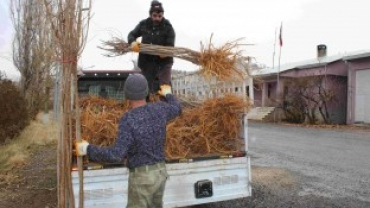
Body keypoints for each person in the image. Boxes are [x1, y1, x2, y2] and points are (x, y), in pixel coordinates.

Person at [75, 74, 182, 208]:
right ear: (146, 91)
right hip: (160, 173)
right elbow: (177, 107)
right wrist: (168, 94)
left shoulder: (128, 119)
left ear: (127, 94)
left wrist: (88, 149)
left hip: (143, 178)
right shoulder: (160, 109)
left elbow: (116, 154)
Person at [128, 0, 175, 95]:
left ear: (162, 15)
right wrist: (133, 43)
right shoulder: (144, 24)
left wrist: (165, 53)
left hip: (163, 63)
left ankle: (167, 105)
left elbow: (170, 46)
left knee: (165, 88)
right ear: (150, 15)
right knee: (146, 88)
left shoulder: (168, 27)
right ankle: (146, 105)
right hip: (147, 62)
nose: (157, 18)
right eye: (154, 16)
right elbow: (132, 34)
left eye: (160, 16)